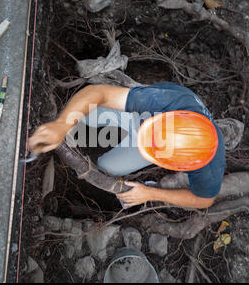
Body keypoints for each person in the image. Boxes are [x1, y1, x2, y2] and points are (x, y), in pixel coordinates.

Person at [29, 82, 226, 209]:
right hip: (140, 116)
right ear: (168, 117)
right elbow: (99, 93)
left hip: (150, 125)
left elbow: (204, 199)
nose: (142, 138)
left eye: (149, 146)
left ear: (178, 166)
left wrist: (150, 193)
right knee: (88, 111)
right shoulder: (169, 101)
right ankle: (77, 126)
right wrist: (62, 125)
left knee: (108, 167)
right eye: (148, 136)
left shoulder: (206, 166)